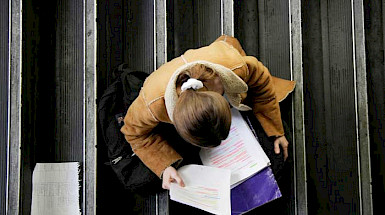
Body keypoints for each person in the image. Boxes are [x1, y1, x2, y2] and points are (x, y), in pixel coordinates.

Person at [120, 35, 295, 190]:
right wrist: (165, 167)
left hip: (221, 60)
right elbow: (133, 133)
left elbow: (262, 83)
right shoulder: (151, 104)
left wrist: (276, 131)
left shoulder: (235, 66)